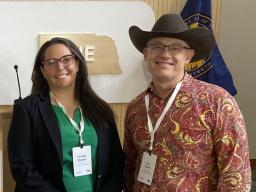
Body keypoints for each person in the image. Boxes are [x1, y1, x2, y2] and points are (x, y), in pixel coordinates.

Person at [123, 14, 251, 191]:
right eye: (156, 46)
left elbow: (235, 175)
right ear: (146, 53)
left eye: (175, 47)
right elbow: (129, 169)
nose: (165, 54)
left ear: (188, 56)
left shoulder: (217, 101)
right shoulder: (135, 108)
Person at [8, 37, 124, 192]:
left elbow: (116, 165)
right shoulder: (27, 110)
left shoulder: (100, 109)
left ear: (77, 64)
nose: (60, 66)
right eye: (51, 62)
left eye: (66, 59)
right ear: (42, 70)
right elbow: (22, 168)